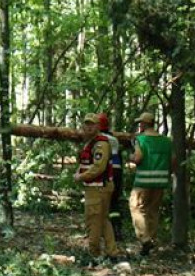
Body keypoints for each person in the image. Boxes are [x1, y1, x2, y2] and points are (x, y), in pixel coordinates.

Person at [73, 113, 119, 261]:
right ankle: (112, 254)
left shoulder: (100, 144)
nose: (89, 127)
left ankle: (95, 255)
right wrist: (78, 172)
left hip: (98, 188)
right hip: (96, 187)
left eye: (92, 124)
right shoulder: (90, 143)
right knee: (103, 220)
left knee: (93, 221)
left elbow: (98, 167)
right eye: (86, 124)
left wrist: (81, 177)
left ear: (98, 126)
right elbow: (85, 164)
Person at [129, 111, 174, 256]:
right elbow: (173, 161)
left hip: (143, 181)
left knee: (136, 208)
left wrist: (130, 157)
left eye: (140, 123)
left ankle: (145, 238)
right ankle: (151, 241)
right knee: (153, 211)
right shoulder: (167, 141)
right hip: (160, 181)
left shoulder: (141, 139)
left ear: (143, 124)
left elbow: (138, 157)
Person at [97, 113, 124, 242]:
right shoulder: (114, 139)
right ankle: (117, 229)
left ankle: (103, 230)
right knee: (114, 202)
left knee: (101, 200)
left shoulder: (98, 139)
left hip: (106, 171)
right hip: (117, 171)